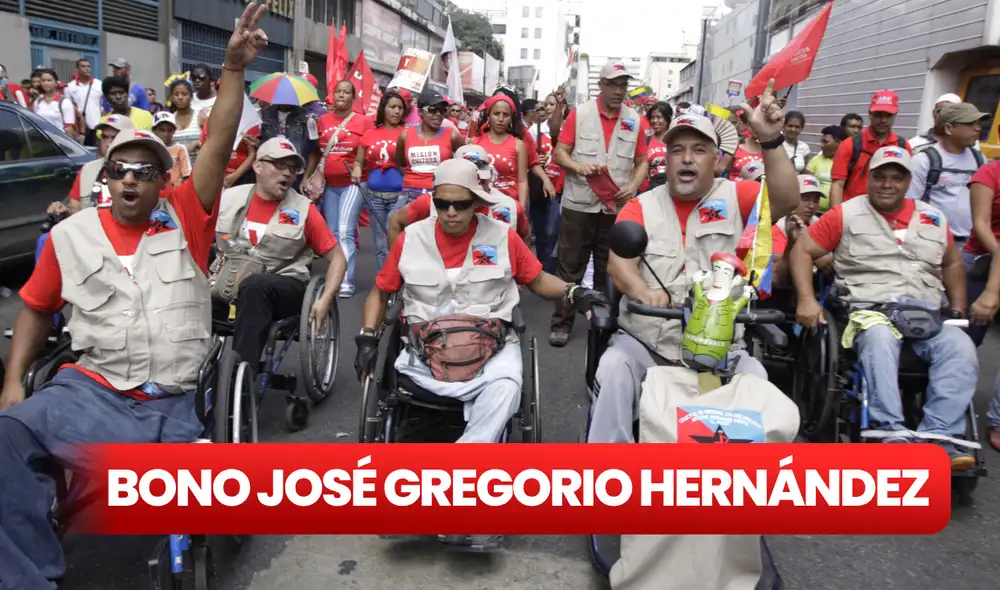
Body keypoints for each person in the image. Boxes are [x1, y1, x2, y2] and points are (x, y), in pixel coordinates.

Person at [0, 6, 269, 589]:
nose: (130, 178)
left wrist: (232, 69)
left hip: (169, 401)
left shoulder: (186, 220)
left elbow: (219, 143)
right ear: (105, 177)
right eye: (119, 168)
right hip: (91, 390)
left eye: (144, 171)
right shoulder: (70, 236)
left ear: (162, 182)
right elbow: (37, 308)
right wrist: (13, 382)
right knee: (9, 433)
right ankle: (28, 577)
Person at [586, 80, 800, 445]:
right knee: (613, 368)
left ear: (716, 160)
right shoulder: (641, 206)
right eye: (677, 150)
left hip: (723, 350)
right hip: (648, 345)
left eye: (699, 150)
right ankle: (610, 469)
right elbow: (619, 264)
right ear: (666, 159)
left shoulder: (739, 197)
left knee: (758, 381)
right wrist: (641, 290)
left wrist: (770, 140)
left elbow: (787, 198)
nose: (687, 158)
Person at [355, 158, 605, 446]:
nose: (450, 212)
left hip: (491, 351)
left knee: (507, 387)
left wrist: (575, 292)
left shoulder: (502, 236)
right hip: (423, 352)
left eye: (460, 205)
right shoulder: (410, 239)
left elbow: (537, 280)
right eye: (442, 204)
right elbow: (380, 292)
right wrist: (367, 336)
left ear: (476, 202)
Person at [790, 146, 977, 469]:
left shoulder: (933, 217)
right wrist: (807, 299)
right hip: (869, 310)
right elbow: (802, 251)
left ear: (908, 182)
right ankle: (891, 433)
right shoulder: (846, 213)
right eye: (880, 177)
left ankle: (940, 436)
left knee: (961, 346)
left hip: (927, 313)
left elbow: (952, 263)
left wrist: (958, 310)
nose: (887, 184)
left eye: (896, 178)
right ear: (869, 179)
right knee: (879, 336)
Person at [214, 138, 347, 368]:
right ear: (257, 166)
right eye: (279, 165)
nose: (287, 173)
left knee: (255, 286)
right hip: (228, 280)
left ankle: (242, 374)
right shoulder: (229, 199)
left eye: (293, 169)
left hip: (283, 287)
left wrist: (326, 298)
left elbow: (338, 257)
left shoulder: (303, 209)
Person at [549, 59, 651, 347]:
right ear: (601, 85)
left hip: (615, 206)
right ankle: (561, 323)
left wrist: (633, 185)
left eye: (623, 85)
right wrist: (579, 168)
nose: (619, 91)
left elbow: (643, 160)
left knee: (611, 268)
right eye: (613, 85)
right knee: (570, 266)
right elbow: (560, 153)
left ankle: (605, 324)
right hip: (579, 204)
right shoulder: (580, 114)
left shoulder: (634, 119)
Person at [305, 79, 373, 298]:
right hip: (329, 185)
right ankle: (336, 275)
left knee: (345, 231)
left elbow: (369, 151)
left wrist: (360, 167)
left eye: (346, 92)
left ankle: (346, 281)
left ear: (353, 97)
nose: (341, 95)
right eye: (338, 91)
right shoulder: (322, 121)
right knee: (332, 233)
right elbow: (316, 151)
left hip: (353, 183)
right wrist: (308, 176)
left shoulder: (364, 122)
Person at [388, 144, 531, 246]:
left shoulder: (509, 206)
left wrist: (519, 272)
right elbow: (396, 221)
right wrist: (401, 266)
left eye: (479, 178)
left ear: (490, 173)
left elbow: (526, 236)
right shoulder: (432, 201)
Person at [905, 102, 989, 248]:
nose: (977, 128)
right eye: (970, 123)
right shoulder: (924, 160)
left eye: (978, 123)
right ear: (949, 128)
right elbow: (910, 205)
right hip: (934, 242)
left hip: (972, 245)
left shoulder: (980, 160)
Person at [961, 157, 1000, 451]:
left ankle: (997, 420)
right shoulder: (989, 172)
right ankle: (948, 408)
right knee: (964, 341)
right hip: (981, 260)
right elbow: (981, 224)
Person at [351, 90, 408, 272]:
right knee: (379, 242)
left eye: (400, 108)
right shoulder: (370, 134)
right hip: (374, 197)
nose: (396, 111)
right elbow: (359, 161)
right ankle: (382, 281)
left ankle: (396, 279)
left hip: (399, 197)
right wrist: (357, 169)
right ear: (383, 109)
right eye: (392, 107)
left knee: (393, 239)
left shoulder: (408, 134)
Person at [829, 90, 911, 208]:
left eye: (888, 115)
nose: (883, 120)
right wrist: (837, 216)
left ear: (895, 115)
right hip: (853, 211)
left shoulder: (902, 147)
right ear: (870, 114)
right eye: (878, 115)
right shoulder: (850, 145)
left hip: (888, 213)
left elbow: (906, 184)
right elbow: (838, 184)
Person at [395, 89, 467, 206]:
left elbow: (465, 163)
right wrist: (416, 179)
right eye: (433, 110)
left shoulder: (452, 135)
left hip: (440, 196)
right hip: (410, 195)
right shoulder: (405, 135)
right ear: (420, 112)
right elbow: (399, 164)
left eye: (442, 110)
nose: (438, 115)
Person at [473, 94, 529, 208]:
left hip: (509, 206)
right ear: (489, 115)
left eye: (506, 115)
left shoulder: (518, 145)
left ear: (511, 118)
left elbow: (522, 181)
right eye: (496, 114)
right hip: (481, 206)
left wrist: (521, 209)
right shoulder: (475, 143)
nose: (501, 119)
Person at [805, 125, 846, 212]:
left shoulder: (848, 162)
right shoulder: (816, 160)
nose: (821, 145)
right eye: (821, 141)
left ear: (839, 143)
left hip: (840, 212)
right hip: (815, 213)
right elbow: (806, 186)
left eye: (825, 142)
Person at [165, 77, 204, 164]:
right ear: (171, 98)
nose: (180, 97)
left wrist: (197, 143)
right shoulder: (169, 120)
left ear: (191, 96)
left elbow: (212, 144)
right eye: (176, 94)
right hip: (177, 169)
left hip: (199, 169)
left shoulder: (200, 117)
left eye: (184, 94)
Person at [65, 59, 101, 146]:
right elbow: (69, 107)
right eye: (83, 66)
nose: (87, 68)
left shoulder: (99, 84)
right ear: (77, 69)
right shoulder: (70, 87)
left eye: (88, 66)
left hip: (97, 125)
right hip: (80, 128)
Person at [32, 69, 77, 139]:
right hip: (41, 140)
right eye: (43, 80)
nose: (46, 83)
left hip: (59, 140)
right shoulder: (38, 102)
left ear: (56, 83)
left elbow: (69, 128)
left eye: (49, 80)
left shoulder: (64, 102)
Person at [151, 111, 192, 187]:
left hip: (175, 189)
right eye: (162, 130)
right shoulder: (151, 148)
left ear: (174, 131)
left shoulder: (180, 148)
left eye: (170, 130)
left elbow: (186, 175)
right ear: (154, 130)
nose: (166, 134)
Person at [640, 101, 671, 192]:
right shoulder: (646, 141)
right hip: (651, 190)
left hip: (672, 189)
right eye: (652, 117)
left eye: (658, 117)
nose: (654, 121)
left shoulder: (676, 140)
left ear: (667, 118)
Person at [728, 107, 763, 180]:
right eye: (753, 125)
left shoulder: (770, 149)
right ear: (748, 125)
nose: (755, 128)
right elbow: (725, 172)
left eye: (759, 125)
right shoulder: (736, 145)